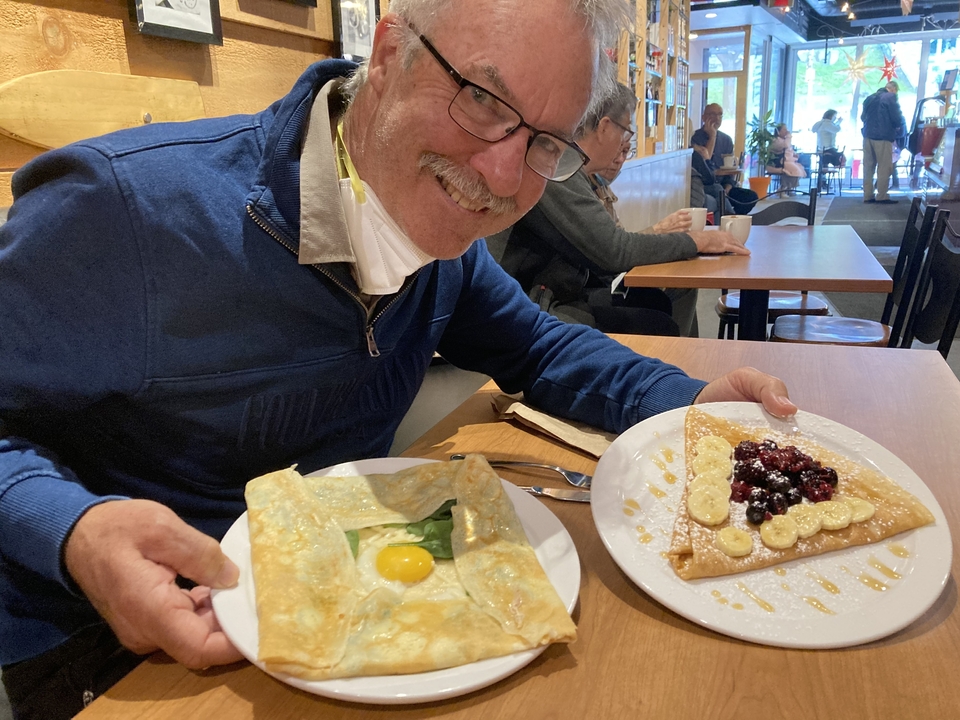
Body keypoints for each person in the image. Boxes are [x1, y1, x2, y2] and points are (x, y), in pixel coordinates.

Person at [0, 2, 798, 717]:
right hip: (113, 645)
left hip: (358, 615)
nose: (501, 174)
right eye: (483, 100)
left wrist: (691, 404)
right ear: (387, 55)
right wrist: (74, 531)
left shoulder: (444, 244)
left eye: (546, 142)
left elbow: (541, 346)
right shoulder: (123, 211)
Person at [493, 82, 749, 338]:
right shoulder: (559, 168)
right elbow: (615, 251)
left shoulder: (574, 168)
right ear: (604, 127)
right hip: (527, 311)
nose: (623, 148)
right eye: (626, 134)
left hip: (553, 295)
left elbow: (609, 251)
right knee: (658, 322)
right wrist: (696, 240)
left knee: (656, 304)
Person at [861, 81, 906, 204]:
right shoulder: (890, 97)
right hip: (883, 136)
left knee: (868, 167)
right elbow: (896, 117)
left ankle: (867, 195)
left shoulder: (869, 98)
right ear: (893, 89)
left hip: (867, 136)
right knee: (884, 167)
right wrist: (897, 127)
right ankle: (882, 195)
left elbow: (862, 117)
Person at [691, 103, 735, 188]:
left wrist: (728, 188)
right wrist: (712, 137)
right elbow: (704, 166)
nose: (717, 118)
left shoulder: (727, 140)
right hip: (704, 185)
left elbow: (729, 173)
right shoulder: (694, 137)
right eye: (713, 114)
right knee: (717, 189)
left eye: (720, 115)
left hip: (723, 185)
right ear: (703, 117)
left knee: (750, 196)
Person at [769, 124, 806, 194]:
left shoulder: (785, 140)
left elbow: (789, 149)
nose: (787, 131)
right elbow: (785, 146)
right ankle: (783, 188)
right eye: (784, 129)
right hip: (779, 161)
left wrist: (794, 154)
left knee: (800, 168)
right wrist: (789, 137)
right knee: (794, 169)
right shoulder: (775, 140)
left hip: (788, 160)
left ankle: (790, 187)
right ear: (778, 131)